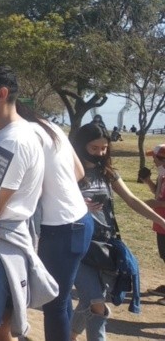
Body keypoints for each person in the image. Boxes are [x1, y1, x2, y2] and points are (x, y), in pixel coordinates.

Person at [0, 64, 57, 340]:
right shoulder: (11, 135)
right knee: (2, 332)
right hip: (3, 248)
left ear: (1, 93)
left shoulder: (12, 141)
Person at [70, 124, 165, 340]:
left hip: (105, 245)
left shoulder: (108, 173)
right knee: (96, 302)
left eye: (104, 148)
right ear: (81, 145)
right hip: (77, 245)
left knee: (91, 300)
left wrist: (161, 220)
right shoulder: (68, 172)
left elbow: (132, 199)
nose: (100, 153)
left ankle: (69, 333)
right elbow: (51, 204)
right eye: (94, 148)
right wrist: (77, 204)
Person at [15, 103, 93, 341]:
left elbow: (27, 188)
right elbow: (79, 172)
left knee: (53, 302)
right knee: (62, 297)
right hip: (80, 220)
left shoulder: (23, 133)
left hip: (61, 228)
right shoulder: (50, 127)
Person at [141, 144, 165, 304]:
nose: (153, 161)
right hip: (160, 222)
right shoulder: (162, 175)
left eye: (154, 157)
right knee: (164, 255)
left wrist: (151, 203)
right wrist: (147, 180)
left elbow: (159, 201)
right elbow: (159, 193)